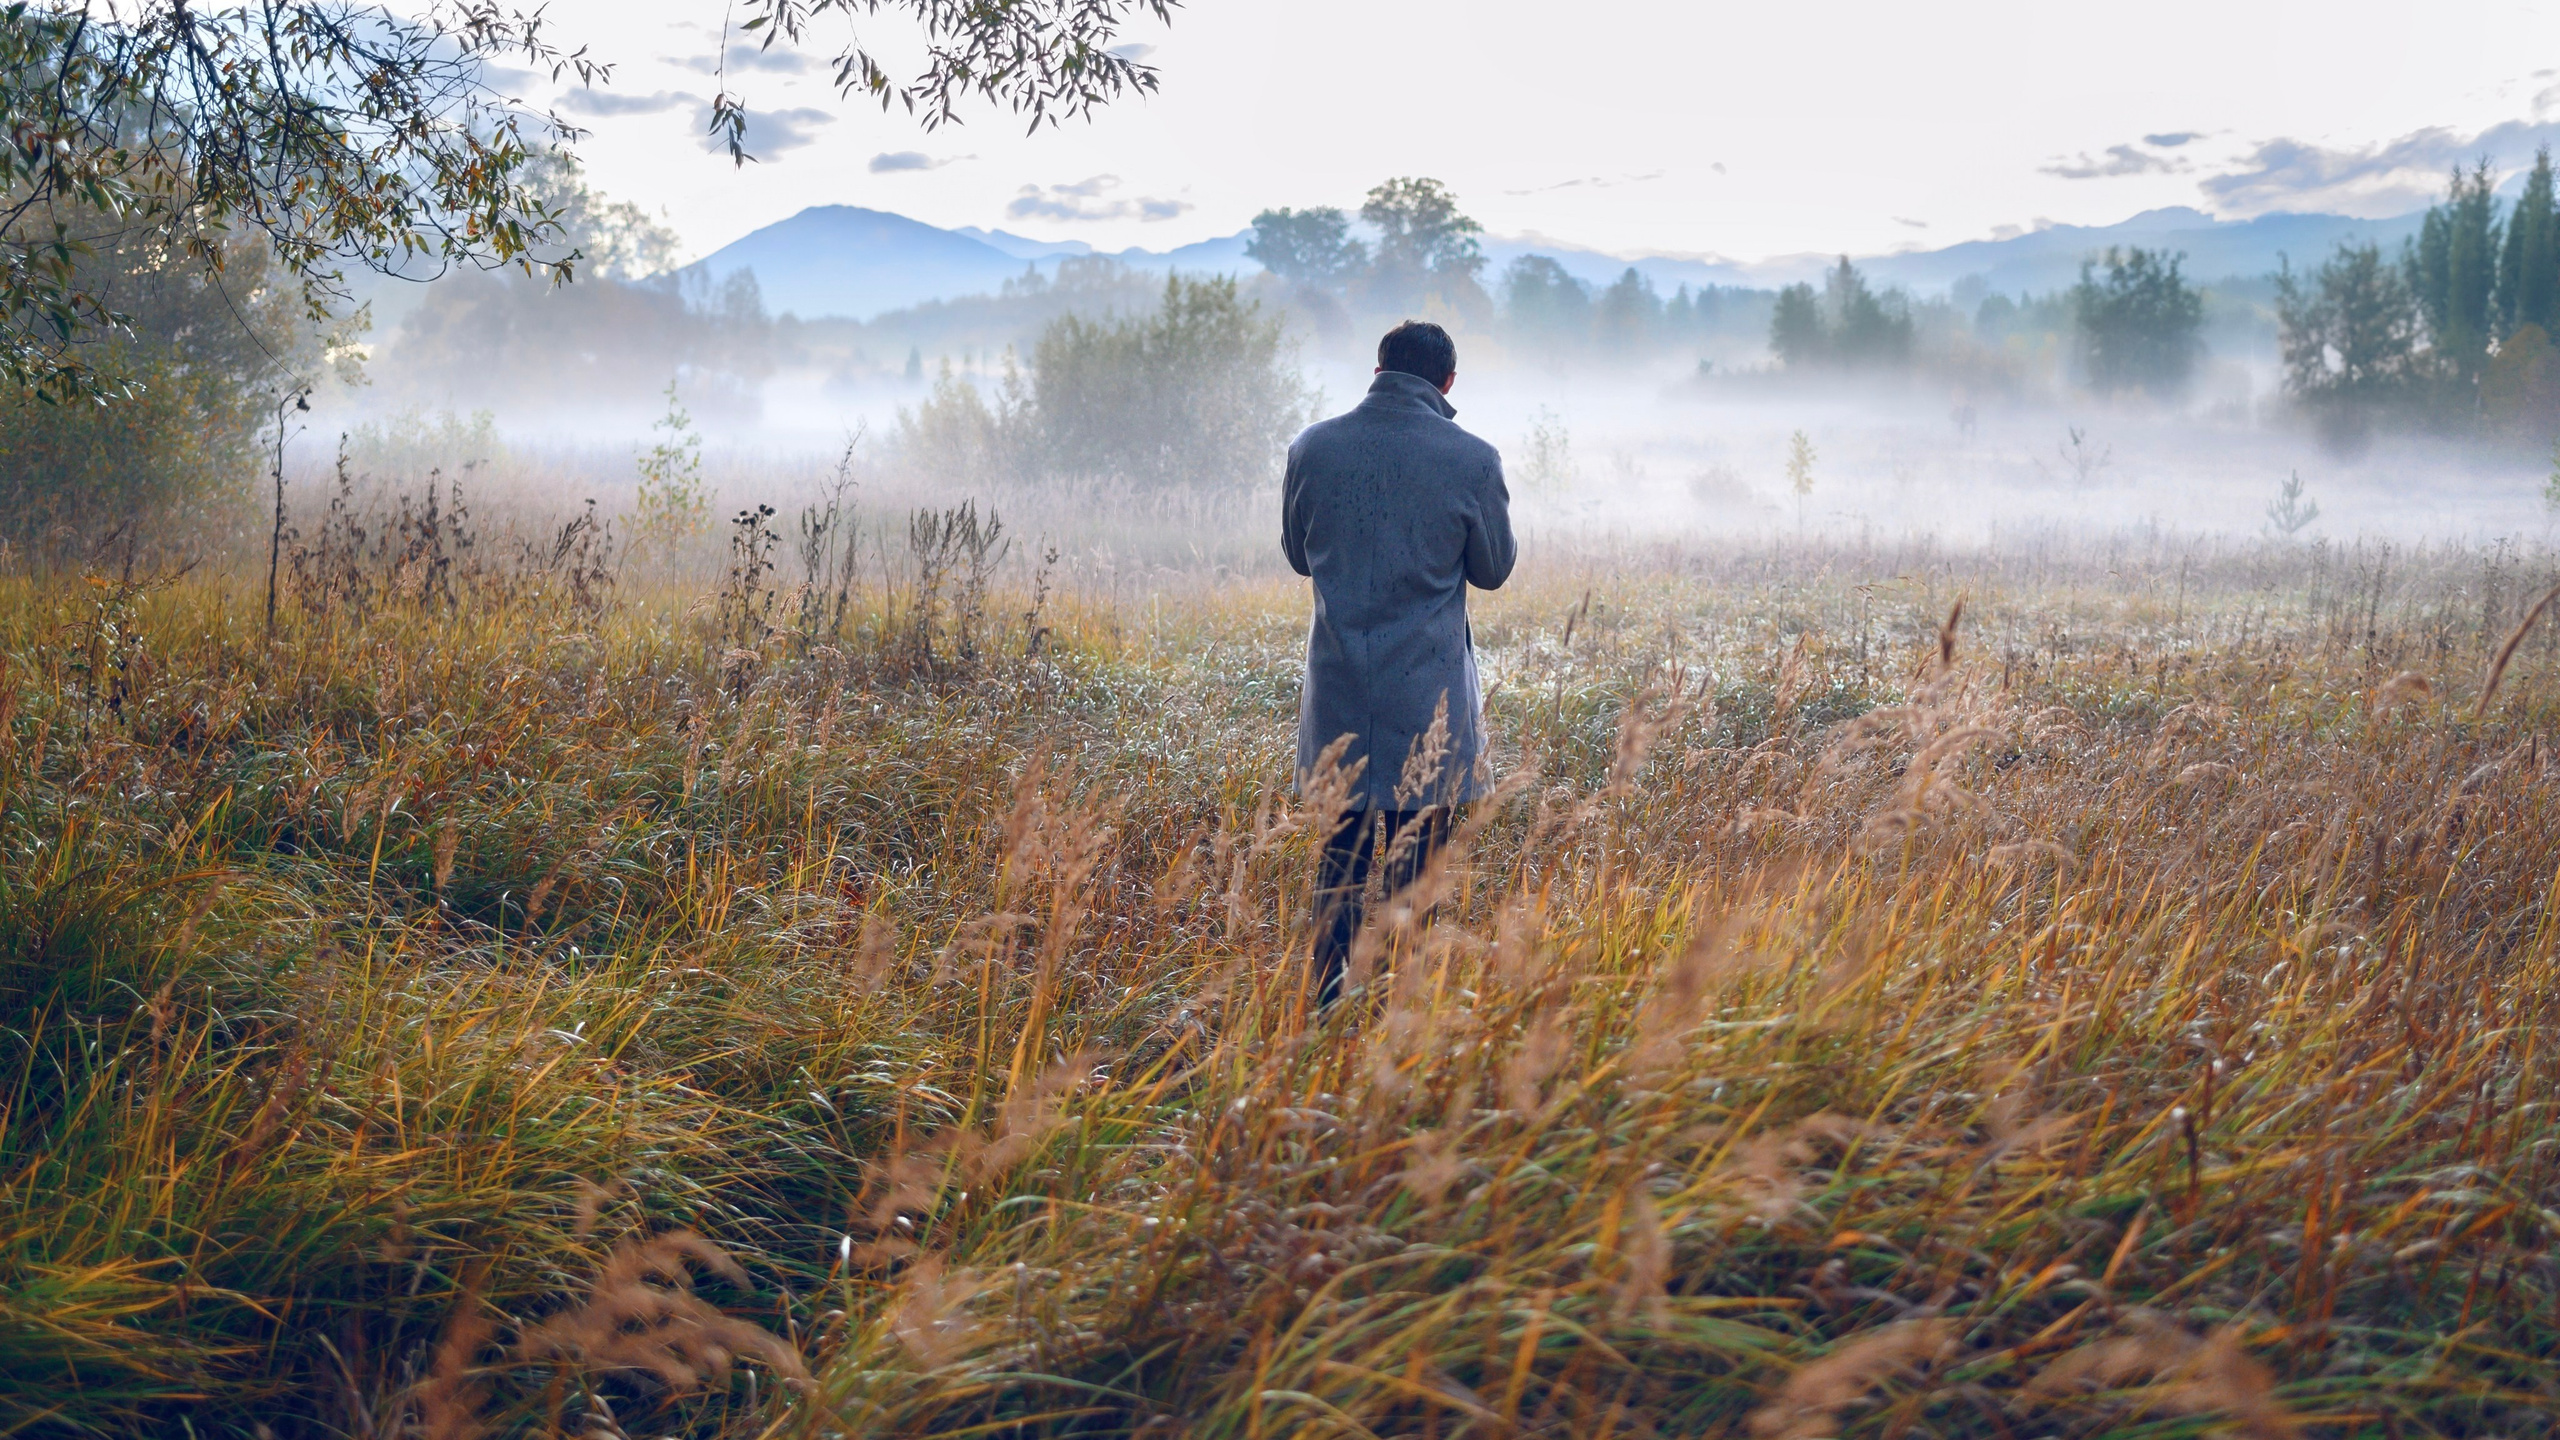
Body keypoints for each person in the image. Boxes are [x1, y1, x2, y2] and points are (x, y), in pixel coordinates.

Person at [1282, 319, 1516, 1006]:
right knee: (1419, 871)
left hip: (1339, 693)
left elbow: (1300, 555)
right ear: (1447, 383)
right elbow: (1494, 570)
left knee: (1339, 869)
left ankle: (1329, 1009)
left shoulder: (1312, 448)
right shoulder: (1473, 459)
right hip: (1429, 705)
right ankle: (1404, 1011)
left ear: (1378, 368)